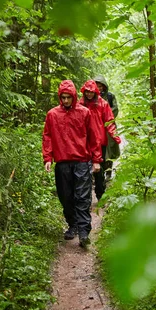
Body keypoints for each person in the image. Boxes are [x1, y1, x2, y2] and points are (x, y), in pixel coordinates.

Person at [42, 80, 102, 248]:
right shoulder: (52, 114)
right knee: (66, 197)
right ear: (60, 97)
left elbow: (93, 137)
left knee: (82, 197)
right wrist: (48, 158)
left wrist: (96, 160)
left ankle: (84, 232)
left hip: (82, 161)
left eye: (69, 97)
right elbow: (47, 136)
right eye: (63, 97)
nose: (66, 100)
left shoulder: (84, 113)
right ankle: (72, 225)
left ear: (74, 96)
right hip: (62, 163)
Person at [79, 80, 121, 200]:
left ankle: (100, 194)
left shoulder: (103, 104)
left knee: (99, 170)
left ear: (96, 92)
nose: (89, 94)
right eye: (87, 92)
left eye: (91, 92)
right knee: (84, 170)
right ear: (84, 92)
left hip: (99, 141)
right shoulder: (80, 104)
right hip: (84, 142)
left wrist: (114, 135)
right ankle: (86, 198)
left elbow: (109, 120)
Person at [93, 74, 120, 180]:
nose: (99, 88)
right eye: (97, 86)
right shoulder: (91, 97)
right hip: (96, 127)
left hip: (108, 127)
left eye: (100, 86)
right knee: (96, 149)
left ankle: (108, 172)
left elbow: (115, 109)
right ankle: (97, 174)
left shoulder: (110, 96)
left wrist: (106, 117)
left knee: (110, 150)